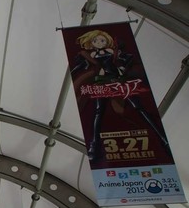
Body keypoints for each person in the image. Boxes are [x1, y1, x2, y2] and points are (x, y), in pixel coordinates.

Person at [70, 29, 171, 162]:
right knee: (99, 112)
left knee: (138, 108)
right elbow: (79, 67)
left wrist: (123, 68)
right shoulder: (91, 55)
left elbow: (127, 59)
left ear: (107, 41)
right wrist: (73, 73)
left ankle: (163, 139)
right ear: (91, 42)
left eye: (102, 40)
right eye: (95, 40)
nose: (99, 42)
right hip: (102, 83)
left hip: (118, 80)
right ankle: (95, 145)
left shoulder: (113, 51)